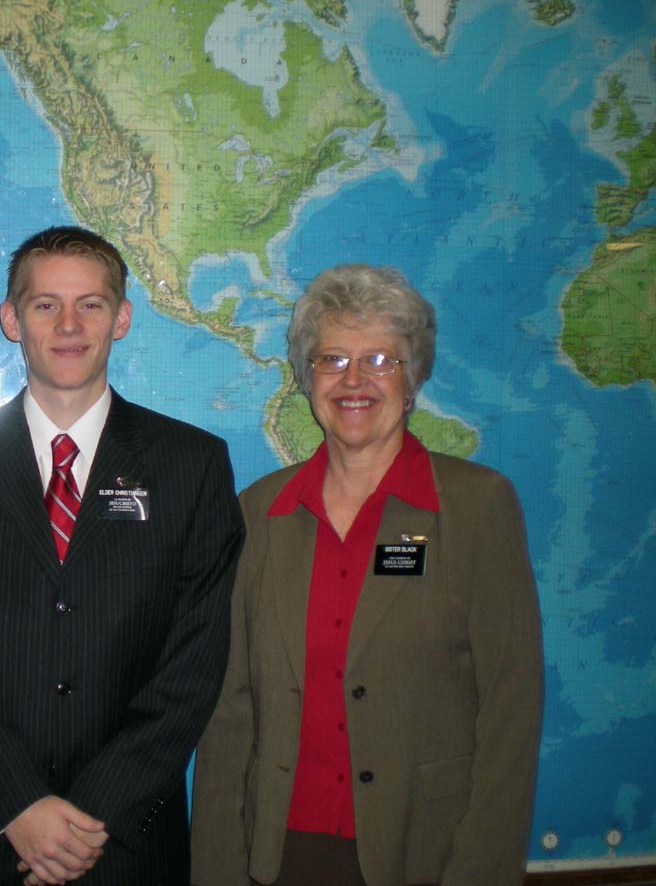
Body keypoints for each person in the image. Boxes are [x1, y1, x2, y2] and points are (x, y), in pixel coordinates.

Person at [0, 225, 244, 885]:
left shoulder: (190, 466)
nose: (70, 324)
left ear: (123, 318)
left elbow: (193, 662)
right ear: (12, 319)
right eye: (46, 304)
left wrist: (93, 814)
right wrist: (16, 805)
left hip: (128, 843)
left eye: (92, 303)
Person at [191, 264, 544, 886]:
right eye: (332, 359)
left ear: (412, 379)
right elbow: (230, 713)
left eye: (381, 359)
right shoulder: (260, 512)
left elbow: (510, 713)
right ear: (307, 379)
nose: (354, 380)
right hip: (278, 854)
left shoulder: (477, 507)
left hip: (422, 854)